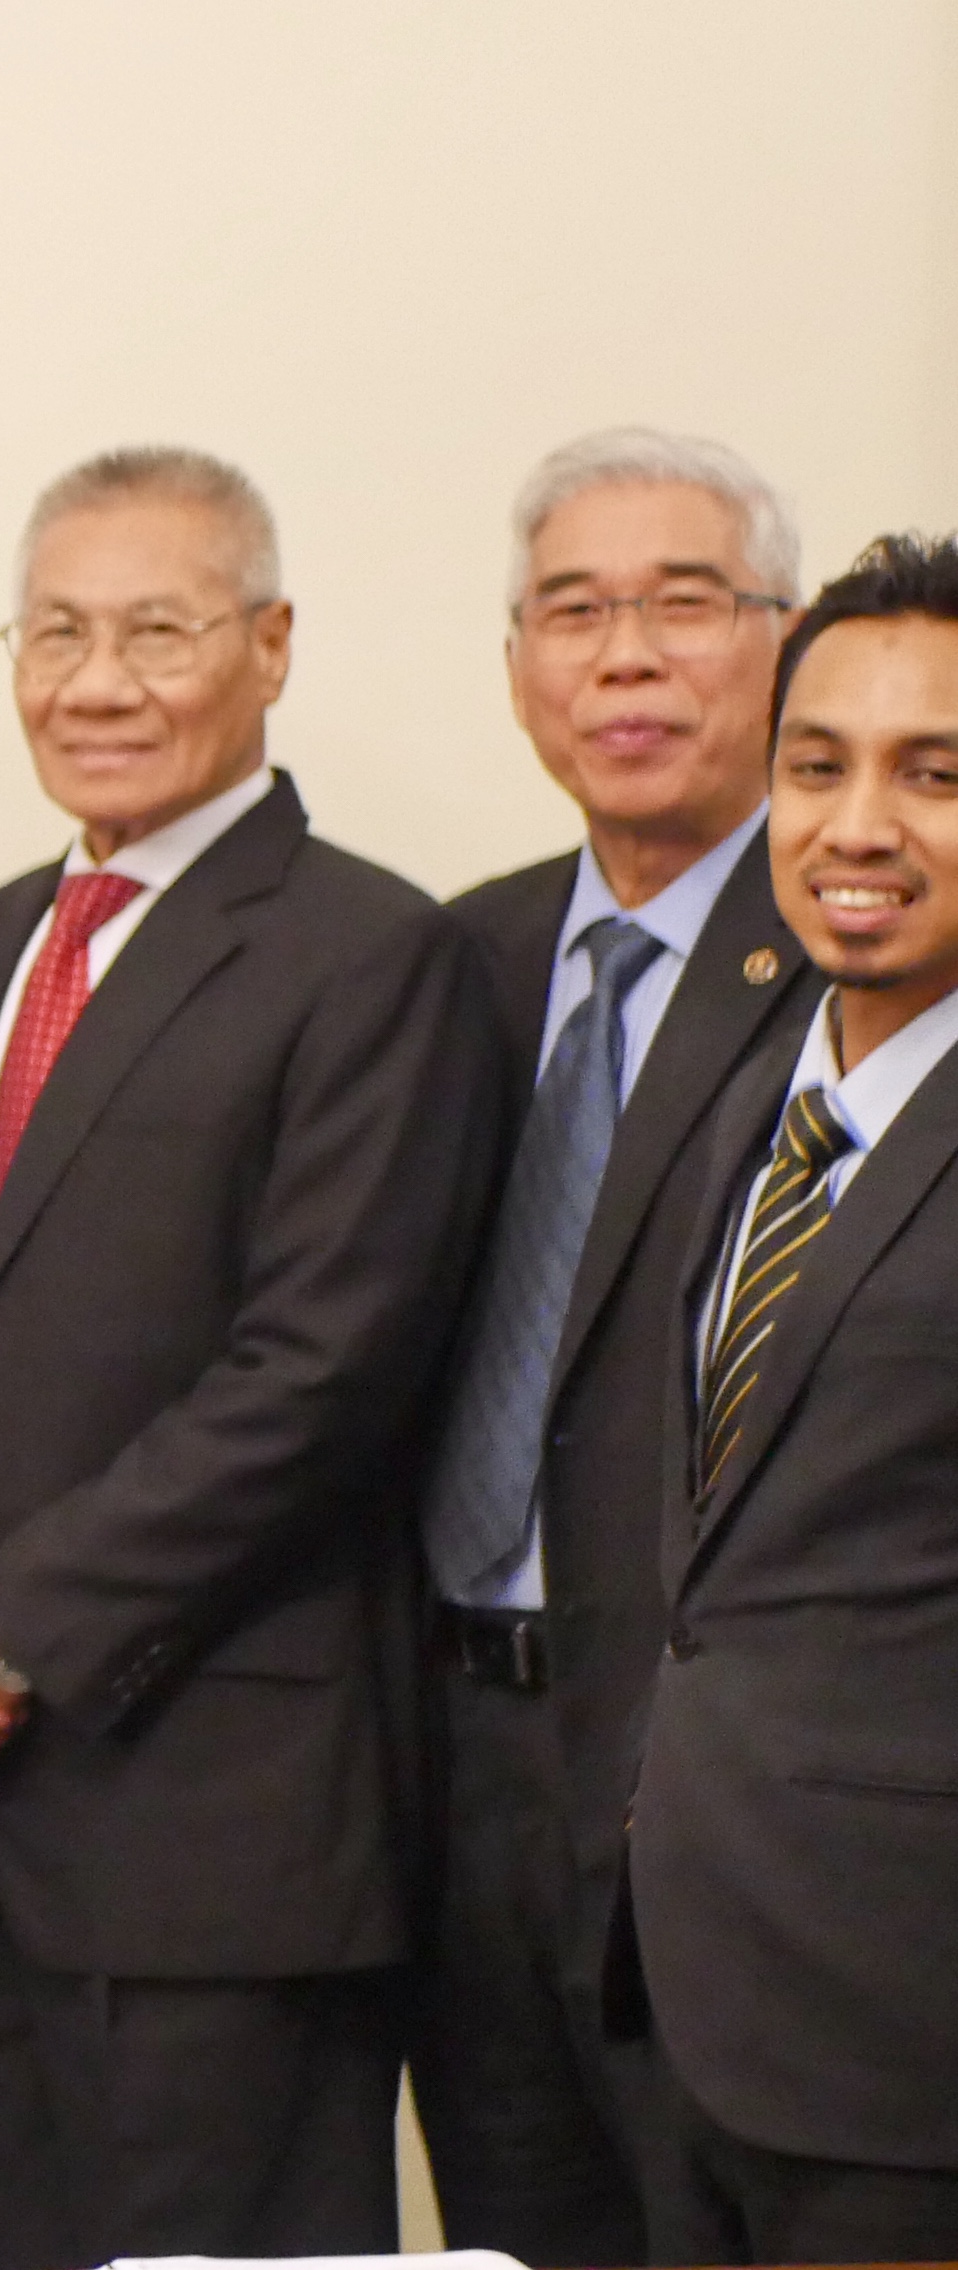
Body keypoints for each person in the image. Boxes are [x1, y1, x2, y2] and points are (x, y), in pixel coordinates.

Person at [0, 446, 506, 2270]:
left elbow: (320, 1370)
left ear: (268, 647)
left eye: (156, 632)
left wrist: (16, 1611)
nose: (93, 682)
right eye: (54, 634)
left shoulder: (366, 951)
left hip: (213, 1829)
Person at [412, 428, 809, 2268]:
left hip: (709, 1775)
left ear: (782, 644)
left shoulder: (855, 958)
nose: (624, 655)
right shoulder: (454, 962)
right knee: (514, 2225)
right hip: (451, 1750)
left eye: (680, 604)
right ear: (515, 674)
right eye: (573, 611)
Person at [625, 532, 958, 2266]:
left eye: (936, 774)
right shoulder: (758, 1074)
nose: (855, 827)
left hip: (911, 2048)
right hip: (700, 2004)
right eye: (815, 766)